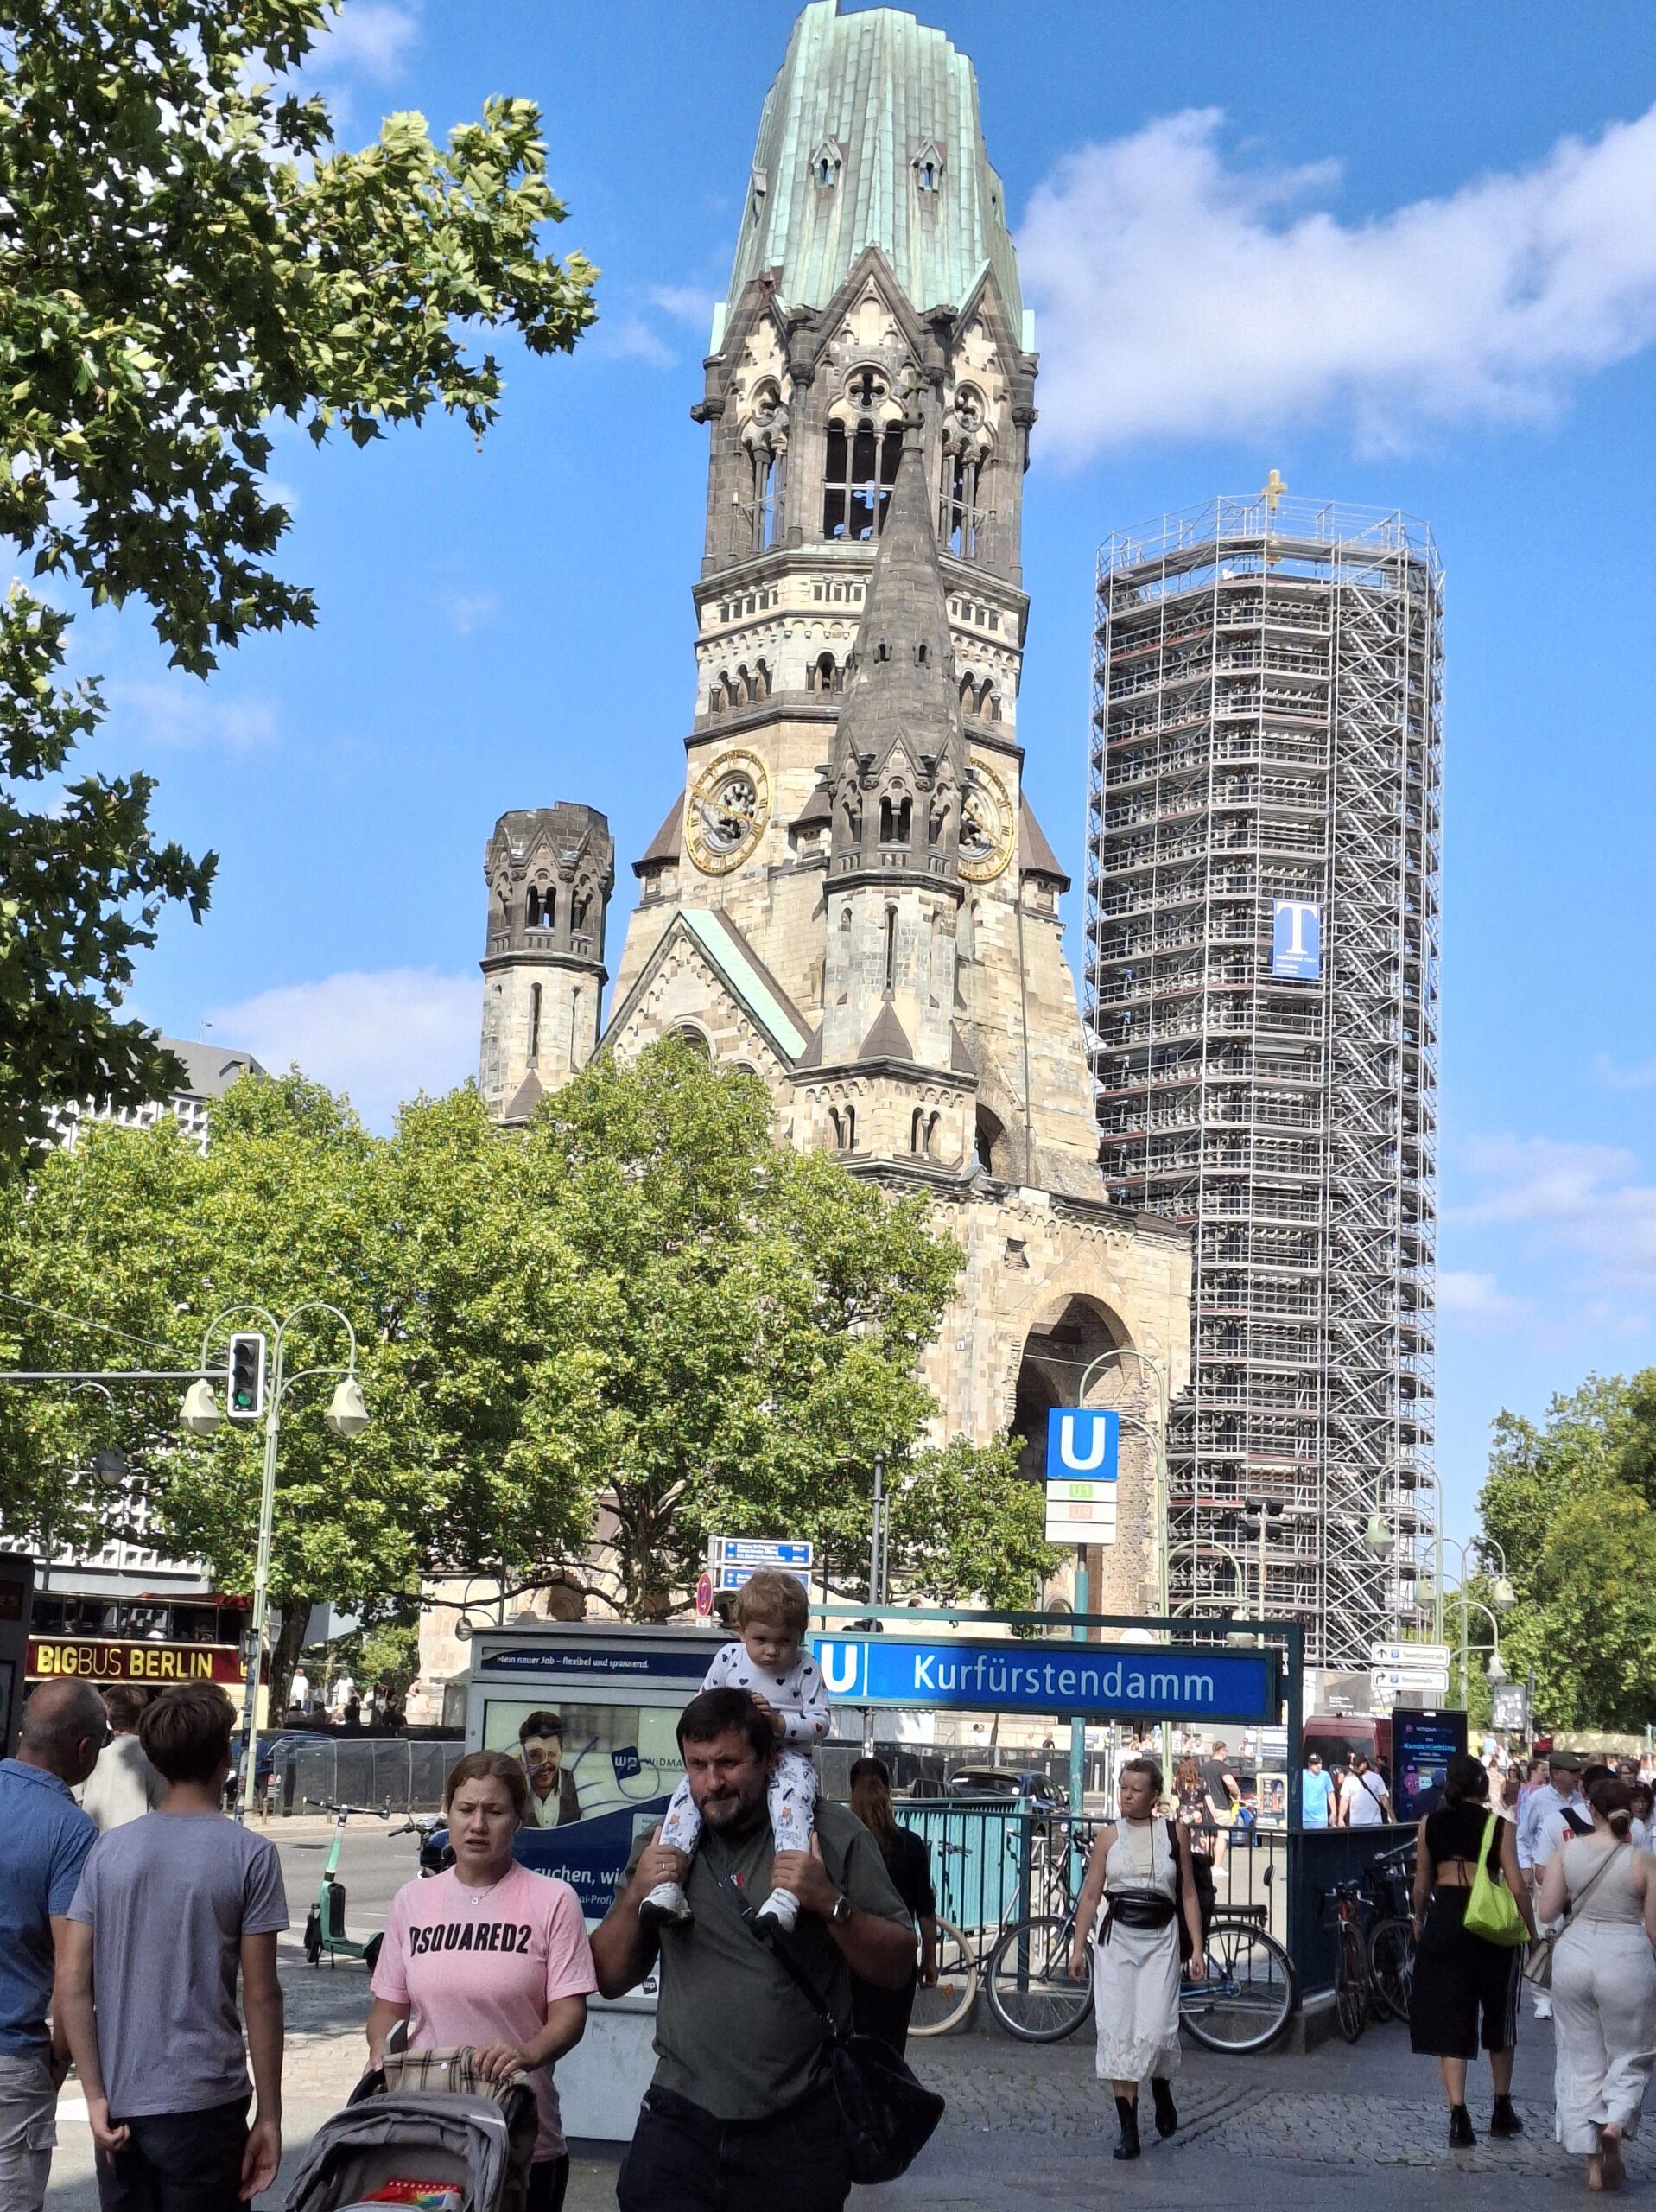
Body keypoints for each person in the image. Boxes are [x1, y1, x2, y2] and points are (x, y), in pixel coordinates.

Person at [592, 1688, 914, 2212]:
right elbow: (609, 1976)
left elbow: (899, 1965)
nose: (712, 1782)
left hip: (796, 2127)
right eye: (697, 1766)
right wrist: (636, 1895)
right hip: (680, 2118)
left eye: (728, 1763)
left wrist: (828, 1902)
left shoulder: (831, 1835)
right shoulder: (666, 1842)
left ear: (769, 1760)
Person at [58, 1681, 288, 2208]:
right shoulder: (250, 1855)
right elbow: (261, 1996)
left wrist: (94, 2094)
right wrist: (270, 2117)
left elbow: (71, 1981)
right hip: (207, 2102)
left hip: (124, 2101)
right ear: (225, 1757)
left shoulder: (108, 1852)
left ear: (155, 1760)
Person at [369, 1750, 594, 2212]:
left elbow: (570, 2016)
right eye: (466, 1809)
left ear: (519, 1819)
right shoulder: (412, 1901)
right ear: (447, 1811)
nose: (477, 1825)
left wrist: (525, 2053)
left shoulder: (554, 1901)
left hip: (521, 2137)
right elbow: (388, 2010)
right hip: (429, 2135)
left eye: (494, 1811)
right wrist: (380, 2052)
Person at [641, 1569, 830, 1936]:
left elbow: (821, 1722)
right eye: (761, 1640)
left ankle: (787, 1891)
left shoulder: (806, 1667)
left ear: (800, 1637)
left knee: (791, 1802)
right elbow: (704, 1704)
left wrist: (779, 1724)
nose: (772, 1651)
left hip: (787, 1758)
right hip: (733, 1756)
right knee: (686, 1798)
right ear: (740, 1632)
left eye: (785, 1641)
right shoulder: (728, 1658)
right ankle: (667, 1882)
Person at [0, 1682, 104, 2212]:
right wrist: (61, 2057)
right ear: (84, 1749)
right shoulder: (70, 1831)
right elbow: (72, 1970)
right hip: (11, 2062)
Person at [1069, 1757, 1204, 2161]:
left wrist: (1197, 1947)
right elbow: (1091, 1893)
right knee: (1118, 2028)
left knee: (1158, 2025)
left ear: (1154, 1796)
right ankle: (1128, 2129)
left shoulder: (1174, 1832)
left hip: (1161, 1939)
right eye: (1123, 1788)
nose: (1126, 1795)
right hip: (1118, 1941)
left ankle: (1161, 2084)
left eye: (1136, 1789)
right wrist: (1077, 1947)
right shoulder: (1109, 1837)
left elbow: (1188, 1892)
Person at [1407, 1750, 1536, 2146]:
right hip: (1489, 1925)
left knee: (1452, 2021)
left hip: (1446, 1919)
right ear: (1481, 1785)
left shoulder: (1429, 1824)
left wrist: (1418, 1920)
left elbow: (1421, 1885)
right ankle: (1501, 2108)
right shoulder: (1499, 1826)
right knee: (1499, 2017)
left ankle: (1458, 2117)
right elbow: (1516, 1885)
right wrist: (1531, 1932)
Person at [1537, 1774, 1656, 2192]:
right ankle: (1615, 2121)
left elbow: (1547, 1912)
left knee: (1580, 2058)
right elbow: (1654, 1929)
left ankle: (1592, 2168)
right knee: (1632, 2053)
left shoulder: (1567, 1852)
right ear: (1631, 1811)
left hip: (1574, 1958)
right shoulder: (1642, 1860)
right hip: (1626, 1958)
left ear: (1591, 1810)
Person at [847, 1756, 938, 2053]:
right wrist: (929, 1959)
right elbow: (925, 1911)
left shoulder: (844, 1843)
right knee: (891, 2047)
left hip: (851, 1957)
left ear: (851, 1792)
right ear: (888, 1790)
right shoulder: (911, 1844)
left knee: (850, 2044)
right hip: (898, 1958)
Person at [1519, 1750, 1592, 2021]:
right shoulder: (1537, 1800)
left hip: (1577, 1875)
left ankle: (1569, 1990)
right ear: (1557, 1773)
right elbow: (1522, 1837)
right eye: (1572, 1773)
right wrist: (1526, 1867)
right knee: (1546, 1934)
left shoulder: (1582, 1802)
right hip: (1546, 1871)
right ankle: (1542, 1996)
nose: (1576, 1778)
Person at [78, 1687, 167, 1834]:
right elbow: (162, 1804)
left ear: (108, 1714)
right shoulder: (153, 1755)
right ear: (140, 1715)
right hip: (136, 1839)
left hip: (94, 1839)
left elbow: (75, 1798)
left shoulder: (91, 1750)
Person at [518, 1712, 583, 1828]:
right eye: (535, 1755)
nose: (544, 1764)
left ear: (561, 1752)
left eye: (552, 1754)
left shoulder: (580, 1785)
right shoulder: (511, 1788)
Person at [1200, 1741, 1241, 1871]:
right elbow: (1230, 1783)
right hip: (1221, 1806)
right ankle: (1217, 1866)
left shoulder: (1203, 1768)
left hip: (1206, 1808)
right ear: (1222, 1751)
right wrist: (1237, 1793)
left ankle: (1205, 1864)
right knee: (1222, 1836)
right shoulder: (1223, 1768)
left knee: (1209, 1836)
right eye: (1226, 1752)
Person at [1341, 1753, 1394, 1830]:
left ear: (1365, 1764)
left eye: (1358, 1766)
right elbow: (1344, 1800)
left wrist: (1392, 1816)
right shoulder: (1349, 1779)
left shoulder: (1377, 1778)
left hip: (1375, 1822)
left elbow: (1384, 1799)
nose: (1356, 1769)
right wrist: (1340, 1818)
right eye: (1355, 1766)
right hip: (1355, 1823)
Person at [1300, 1750, 1337, 1829]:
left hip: (1321, 1819)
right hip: (1304, 1818)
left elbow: (1330, 1794)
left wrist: (1334, 1812)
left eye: (1319, 1763)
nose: (1318, 1766)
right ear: (1309, 1765)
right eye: (1315, 1763)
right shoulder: (1302, 1775)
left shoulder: (1325, 1776)